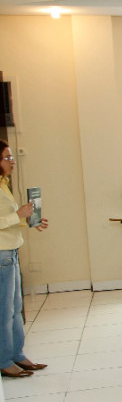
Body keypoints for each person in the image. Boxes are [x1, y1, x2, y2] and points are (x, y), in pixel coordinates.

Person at [0, 140, 49, 378]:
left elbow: (7, 218)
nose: (12, 162)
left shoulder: (3, 184)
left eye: (12, 157)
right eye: (7, 158)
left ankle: (17, 354)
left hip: (11, 251)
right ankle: (4, 360)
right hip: (2, 255)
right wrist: (18, 214)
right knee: (4, 311)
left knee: (15, 309)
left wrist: (28, 220)